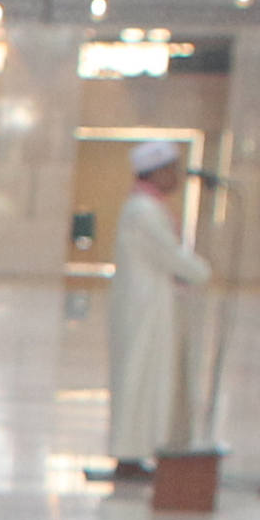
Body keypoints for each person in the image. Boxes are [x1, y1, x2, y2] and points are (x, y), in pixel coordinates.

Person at [106, 138, 213, 477]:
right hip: (144, 309)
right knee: (139, 378)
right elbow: (169, 255)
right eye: (171, 170)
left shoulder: (147, 207)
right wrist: (202, 271)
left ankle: (141, 450)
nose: (176, 177)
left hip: (150, 304)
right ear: (155, 172)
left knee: (147, 379)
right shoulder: (144, 210)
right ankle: (129, 454)